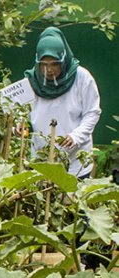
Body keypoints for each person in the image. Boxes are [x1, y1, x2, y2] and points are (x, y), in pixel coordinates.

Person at [24, 26, 101, 178]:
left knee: (71, 200)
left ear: (64, 59)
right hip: (41, 161)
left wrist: (76, 136)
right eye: (44, 65)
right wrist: (19, 125)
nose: (49, 70)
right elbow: (20, 113)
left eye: (54, 64)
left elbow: (92, 112)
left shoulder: (82, 78)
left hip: (75, 162)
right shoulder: (31, 80)